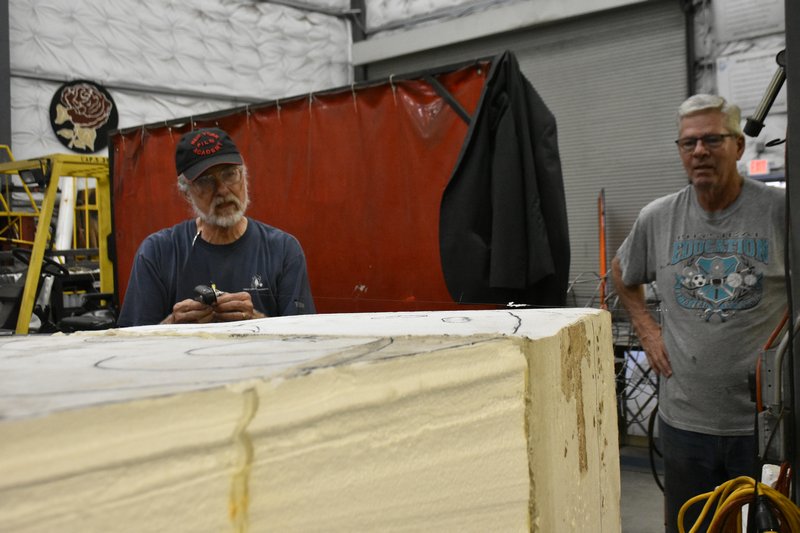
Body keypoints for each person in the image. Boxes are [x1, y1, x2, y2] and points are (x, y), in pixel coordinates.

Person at [611, 94, 786, 532]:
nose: (700, 151)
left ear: (738, 145)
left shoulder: (780, 212)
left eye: (712, 140)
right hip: (686, 423)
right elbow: (621, 272)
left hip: (763, 426)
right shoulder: (658, 218)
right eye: (689, 143)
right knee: (692, 526)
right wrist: (647, 329)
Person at [117, 127, 316, 326]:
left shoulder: (283, 250)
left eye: (229, 174)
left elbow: (304, 336)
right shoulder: (157, 253)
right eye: (206, 181)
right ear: (187, 194)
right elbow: (132, 341)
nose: (222, 190)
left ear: (244, 176)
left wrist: (255, 321)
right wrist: (173, 325)